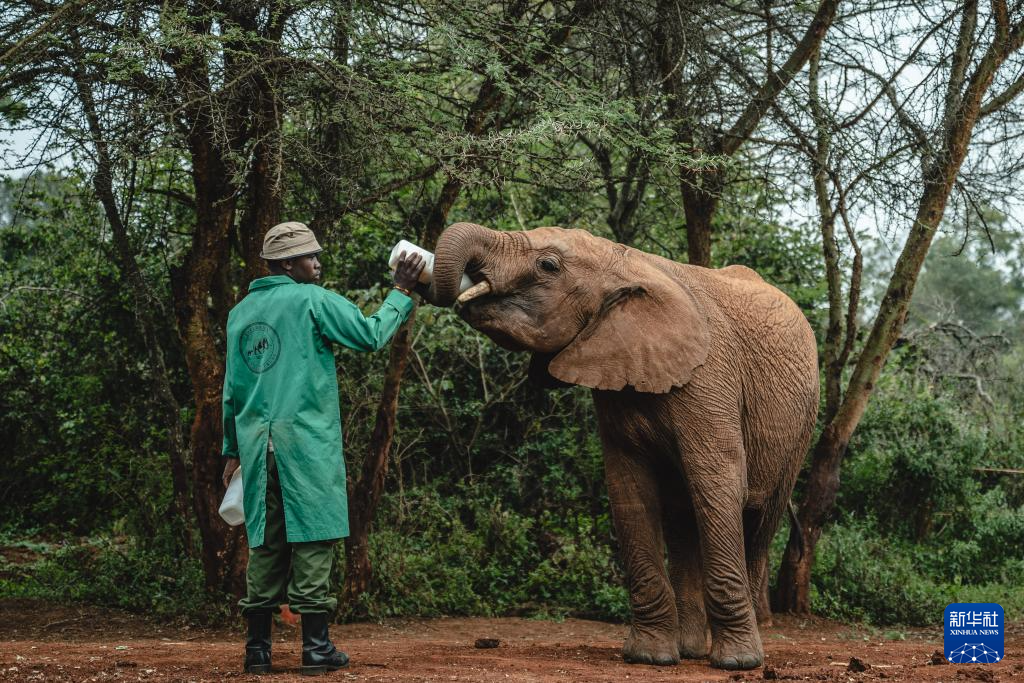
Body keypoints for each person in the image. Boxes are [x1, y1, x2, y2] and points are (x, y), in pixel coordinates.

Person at [220, 221, 425, 675]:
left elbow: (232, 391)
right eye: (310, 257)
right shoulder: (311, 299)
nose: (317, 263)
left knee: (266, 543)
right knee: (314, 535)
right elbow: (370, 334)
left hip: (256, 447)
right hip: (304, 444)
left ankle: (258, 652)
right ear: (287, 264)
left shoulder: (240, 313)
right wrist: (401, 292)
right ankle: (316, 649)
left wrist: (231, 451)